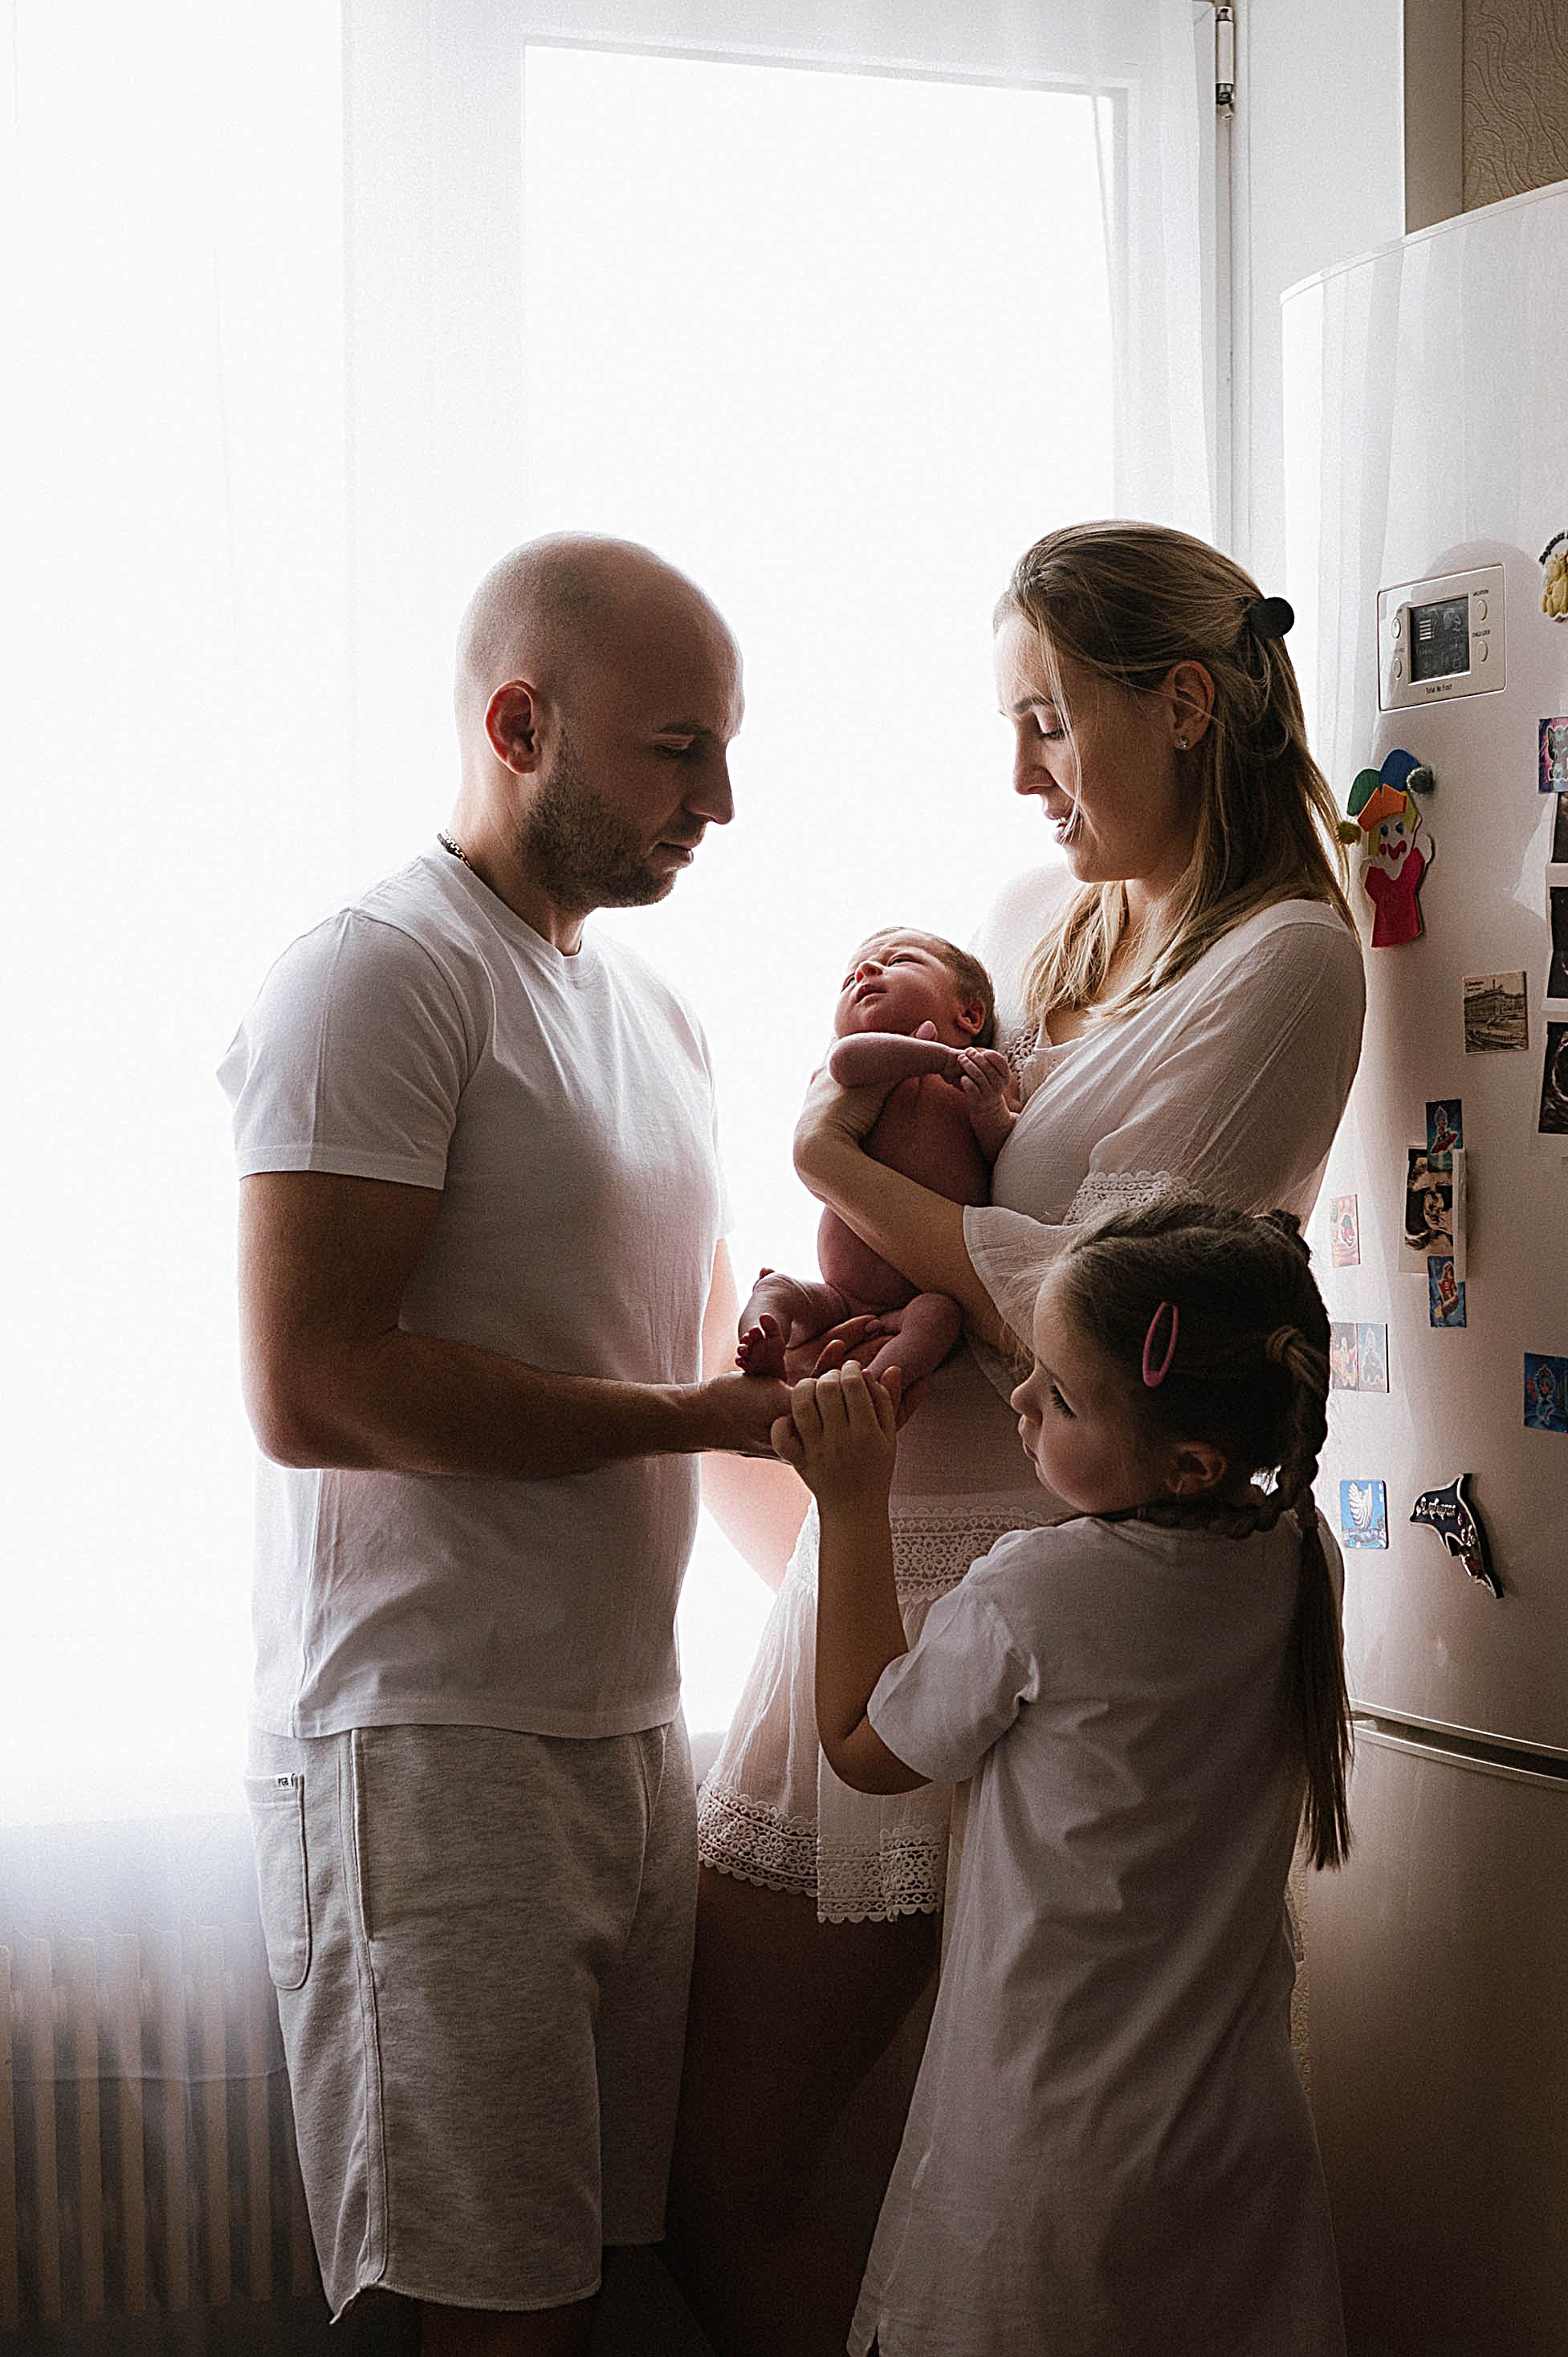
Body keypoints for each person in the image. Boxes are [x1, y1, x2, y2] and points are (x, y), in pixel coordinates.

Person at [669, 520, 1366, 2357]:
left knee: (928, 2180)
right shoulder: (1046, 937)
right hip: (891, 1569)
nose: (1022, 771)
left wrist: (834, 1171)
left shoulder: (1285, 965)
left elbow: (1095, 1304)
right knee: (772, 2183)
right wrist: (844, 1308)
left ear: (1186, 702)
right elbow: (976, 1256)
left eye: (1050, 719)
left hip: (1049, 1618)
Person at [222, 534, 800, 2357]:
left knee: (616, 2279)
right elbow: (311, 1380)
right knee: (497, 2319)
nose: (723, 800)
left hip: (632, 1733)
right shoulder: (379, 975)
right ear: (520, 721)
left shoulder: (663, 1014)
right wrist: (694, 1407)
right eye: (679, 750)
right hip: (428, 1752)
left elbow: (692, 1376)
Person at [780, 1199, 1350, 2357]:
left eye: (1061, 1394)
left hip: (1046, 2159)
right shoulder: (1299, 1554)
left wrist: (851, 1500)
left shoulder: (1037, 1593)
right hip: (1234, 2148)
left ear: (1189, 1460)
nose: (1019, 1402)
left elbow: (859, 1743)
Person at [736, 928, 1016, 1392]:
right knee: (781, 1291)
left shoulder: (982, 1074)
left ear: (968, 1014)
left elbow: (1005, 1148)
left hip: (922, 1292)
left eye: (900, 960)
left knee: (939, 1320)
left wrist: (990, 1108)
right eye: (849, 978)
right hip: (840, 1295)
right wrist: (935, 1058)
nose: (865, 972)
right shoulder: (855, 1070)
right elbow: (847, 1060)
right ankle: (765, 1337)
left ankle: (866, 1392)